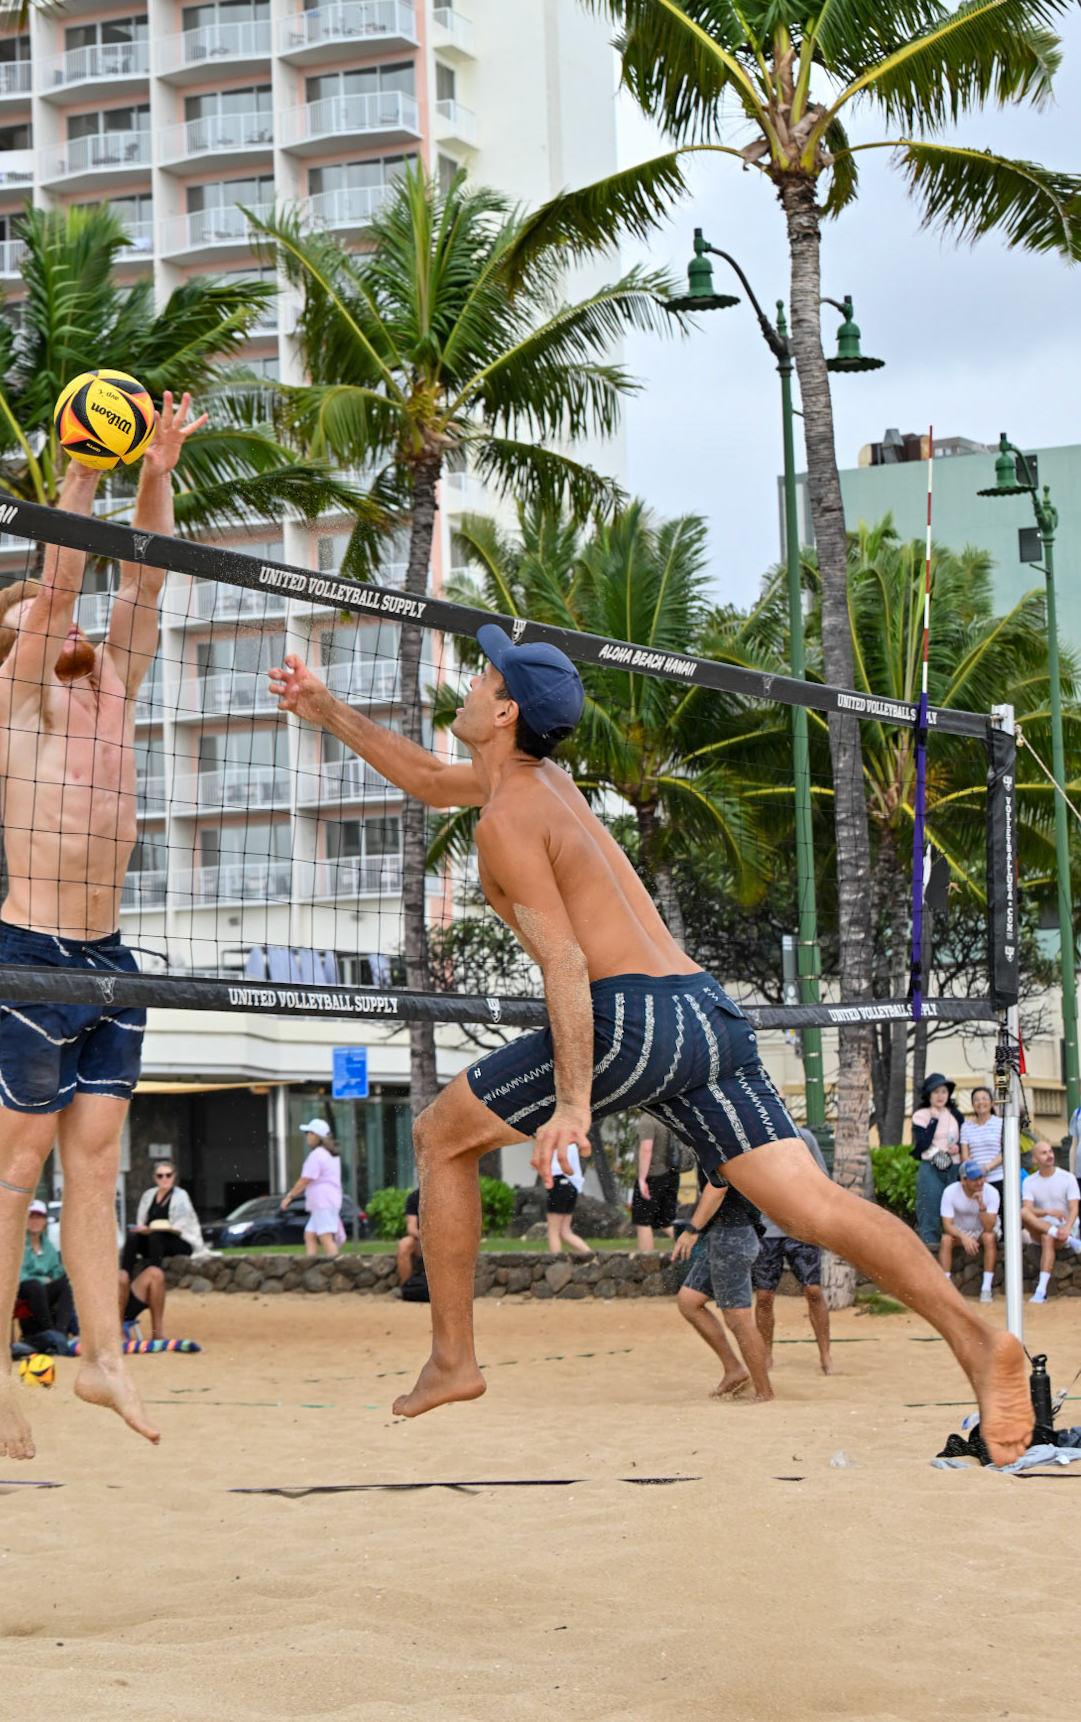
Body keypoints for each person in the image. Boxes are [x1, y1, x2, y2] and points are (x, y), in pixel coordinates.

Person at [268, 627, 1033, 1463]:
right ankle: (975, 1339)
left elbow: (563, 960)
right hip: (705, 1014)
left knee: (438, 1136)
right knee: (812, 1204)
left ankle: (452, 1359)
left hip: (631, 1020)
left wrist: (571, 1102)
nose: (469, 682)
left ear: (504, 710)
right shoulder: (539, 781)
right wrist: (323, 708)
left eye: (482, 676)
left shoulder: (508, 820)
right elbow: (423, 776)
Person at [0, 390, 206, 1461]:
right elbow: (61, 581)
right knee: (16, 1169)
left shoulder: (115, 679)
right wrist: (79, 472)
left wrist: (154, 466)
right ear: (4, 648)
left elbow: (140, 575)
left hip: (109, 960)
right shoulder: (21, 693)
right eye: (28, 617)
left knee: (98, 1168)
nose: (50, 621)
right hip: (30, 957)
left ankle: (105, 1359)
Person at [671, 1178, 772, 1401]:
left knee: (738, 1318)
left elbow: (718, 1187)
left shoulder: (716, 1142)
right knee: (689, 1300)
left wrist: (691, 1230)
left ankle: (764, 1392)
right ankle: (734, 1370)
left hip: (733, 1235)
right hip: (722, 1232)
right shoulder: (709, 1144)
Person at [752, 1124, 836, 1376]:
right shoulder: (754, 1139)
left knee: (813, 1290)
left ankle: (826, 1356)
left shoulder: (803, 1137)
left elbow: (822, 1177)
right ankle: (766, 1354)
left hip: (801, 1227)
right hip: (767, 1229)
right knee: (765, 1295)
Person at [1021, 1138, 1081, 1304]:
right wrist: (1048, 1212)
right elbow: (1028, 1209)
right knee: (1023, 1212)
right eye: (1044, 1153)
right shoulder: (1029, 1181)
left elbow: (1074, 1208)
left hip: (1064, 1228)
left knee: (1048, 1238)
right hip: (1042, 1228)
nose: (1049, 1155)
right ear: (1035, 1159)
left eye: (1050, 1151)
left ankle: (1041, 1290)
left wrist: (1067, 1228)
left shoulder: (1068, 1178)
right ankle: (1065, 1238)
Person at [123, 1160, 206, 1276]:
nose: (164, 1178)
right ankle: (125, 1276)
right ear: (155, 1178)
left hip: (179, 1241)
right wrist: (142, 1229)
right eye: (160, 1175)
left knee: (155, 1236)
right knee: (132, 1236)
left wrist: (162, 1228)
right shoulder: (148, 1195)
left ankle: (155, 1277)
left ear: (174, 1176)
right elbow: (141, 1220)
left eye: (168, 1175)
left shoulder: (181, 1196)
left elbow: (182, 1226)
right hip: (153, 1240)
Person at [909, 1074, 963, 1251]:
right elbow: (922, 1143)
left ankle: (956, 1248)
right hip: (931, 1167)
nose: (940, 1096)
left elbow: (965, 1139)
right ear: (928, 1095)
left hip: (954, 1166)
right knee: (929, 1208)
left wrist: (959, 1148)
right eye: (936, 1092)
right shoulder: (920, 1115)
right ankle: (929, 1247)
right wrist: (933, 1120)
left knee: (956, 1211)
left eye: (944, 1092)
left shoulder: (955, 1114)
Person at [280, 1120, 345, 1256]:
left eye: (309, 1133)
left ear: (317, 1136)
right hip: (326, 1202)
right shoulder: (330, 1155)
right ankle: (311, 1264)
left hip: (323, 1202)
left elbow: (304, 1180)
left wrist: (289, 1197)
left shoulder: (317, 1155)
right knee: (310, 1234)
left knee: (325, 1237)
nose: (307, 1136)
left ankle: (336, 1268)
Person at [16, 1202, 75, 1352]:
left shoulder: (48, 1245)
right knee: (35, 1285)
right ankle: (51, 1331)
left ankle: (60, 1332)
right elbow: (19, 1274)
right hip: (23, 1289)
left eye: (39, 1217)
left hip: (42, 1291)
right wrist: (44, 1280)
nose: (35, 1221)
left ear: (44, 1221)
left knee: (67, 1283)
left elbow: (55, 1271)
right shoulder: (17, 1244)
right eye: (31, 1217)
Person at [939, 1164, 1000, 1300]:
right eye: (974, 1179)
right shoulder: (950, 1192)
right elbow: (947, 1225)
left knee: (989, 1237)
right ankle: (946, 1288)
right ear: (963, 1180)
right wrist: (964, 1237)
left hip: (983, 1230)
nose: (979, 1182)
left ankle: (986, 1288)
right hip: (960, 1232)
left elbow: (989, 1228)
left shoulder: (992, 1192)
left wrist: (982, 1206)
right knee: (946, 1239)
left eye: (981, 1177)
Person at [631, 1113, 681, 1253]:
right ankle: (693, 1250)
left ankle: (646, 1261)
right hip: (672, 1174)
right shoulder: (668, 1117)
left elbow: (646, 1148)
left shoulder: (648, 1119)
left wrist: (642, 1179)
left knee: (643, 1221)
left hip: (652, 1175)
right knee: (666, 1222)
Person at [960, 1087, 1005, 1205]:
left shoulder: (1001, 1123)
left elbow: (1005, 1153)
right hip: (976, 1182)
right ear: (972, 1104)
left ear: (991, 1102)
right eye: (976, 1100)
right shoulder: (966, 1126)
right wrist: (977, 1174)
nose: (980, 1102)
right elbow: (965, 1155)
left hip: (999, 1178)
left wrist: (985, 1169)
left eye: (984, 1098)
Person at [546, 1141, 591, 1255]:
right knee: (564, 1232)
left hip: (558, 1183)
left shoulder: (556, 1138)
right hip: (572, 1186)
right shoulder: (571, 1143)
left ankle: (556, 1263)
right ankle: (591, 1256)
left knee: (553, 1231)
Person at [118, 1260, 165, 1339]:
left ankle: (157, 1334)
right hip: (102, 1308)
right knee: (121, 1277)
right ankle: (118, 1333)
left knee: (155, 1273)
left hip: (123, 1298)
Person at [397, 1187, 423, 1285]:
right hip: (423, 1241)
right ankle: (407, 1287)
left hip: (446, 1241)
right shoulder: (415, 1196)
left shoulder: (447, 1192)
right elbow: (411, 1227)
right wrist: (426, 1239)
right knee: (404, 1244)